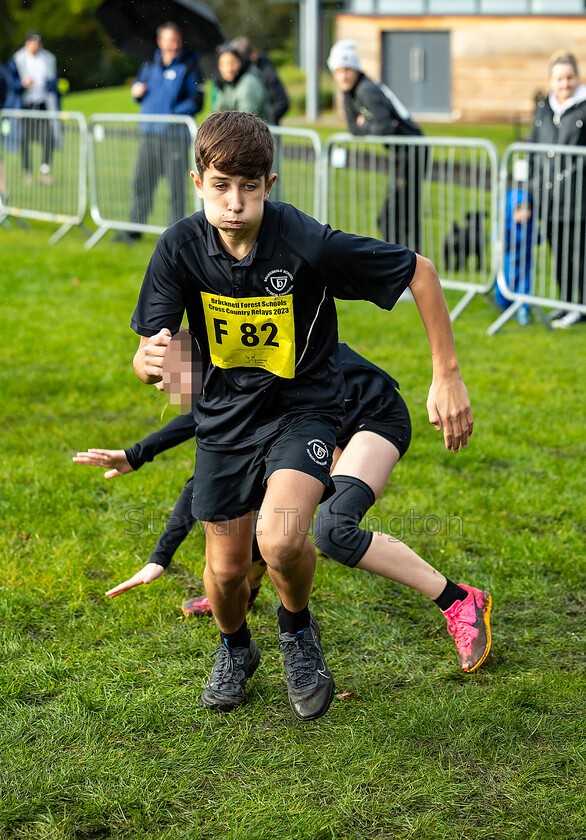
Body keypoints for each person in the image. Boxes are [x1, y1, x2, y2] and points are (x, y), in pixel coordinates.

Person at [130, 110, 473, 722]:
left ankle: (297, 634)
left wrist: (446, 375)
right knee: (226, 571)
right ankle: (236, 648)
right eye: (220, 186)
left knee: (283, 538)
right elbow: (149, 352)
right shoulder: (179, 247)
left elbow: (419, 272)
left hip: (303, 413)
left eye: (249, 187)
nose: (234, 202)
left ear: (270, 184)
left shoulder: (304, 242)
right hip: (225, 422)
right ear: (197, 180)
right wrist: (147, 360)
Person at [75, 342, 490, 675]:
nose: (162, 389)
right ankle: (249, 587)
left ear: (197, 362)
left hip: (370, 417)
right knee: (259, 503)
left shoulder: (246, 372)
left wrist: (158, 550)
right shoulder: (223, 380)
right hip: (320, 421)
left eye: (166, 379)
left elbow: (200, 433)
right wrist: (138, 457)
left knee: (333, 529)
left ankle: (459, 600)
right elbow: (207, 470)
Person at [327, 39, 425, 251]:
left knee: (395, 216)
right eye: (338, 71)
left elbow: (385, 129)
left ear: (356, 69)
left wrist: (369, 124)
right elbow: (354, 128)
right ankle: (405, 266)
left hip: (412, 152)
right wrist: (369, 125)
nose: (343, 76)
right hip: (401, 153)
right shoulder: (349, 91)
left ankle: (406, 265)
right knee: (397, 215)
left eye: (347, 70)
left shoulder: (366, 90)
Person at [129, 22, 204, 234]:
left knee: (176, 189)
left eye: (177, 40)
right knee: (141, 182)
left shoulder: (188, 67)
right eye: (170, 40)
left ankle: (175, 235)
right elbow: (138, 90)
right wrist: (136, 91)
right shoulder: (148, 66)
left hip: (174, 137)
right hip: (148, 134)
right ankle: (134, 228)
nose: (174, 44)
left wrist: (175, 113)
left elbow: (197, 100)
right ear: (160, 42)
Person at [529, 52, 586, 328]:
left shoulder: (584, 108)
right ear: (551, 81)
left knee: (579, 254)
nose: (565, 84)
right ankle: (565, 305)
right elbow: (532, 151)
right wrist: (527, 192)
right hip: (549, 198)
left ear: (578, 77)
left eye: (570, 77)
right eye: (560, 78)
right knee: (559, 253)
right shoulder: (543, 109)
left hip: (578, 197)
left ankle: (580, 306)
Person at [11, 30, 60, 186]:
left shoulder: (48, 59)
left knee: (48, 139)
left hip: (43, 105)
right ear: (26, 43)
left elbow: (54, 81)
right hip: (25, 106)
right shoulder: (17, 59)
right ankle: (27, 172)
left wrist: (51, 86)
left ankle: (45, 170)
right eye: (32, 42)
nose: (36, 46)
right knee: (24, 140)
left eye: (38, 43)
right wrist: (21, 84)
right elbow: (10, 82)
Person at [495, 189, 537, 326]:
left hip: (525, 264)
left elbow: (537, 238)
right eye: (519, 209)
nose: (525, 213)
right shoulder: (506, 227)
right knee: (504, 286)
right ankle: (505, 307)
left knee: (524, 287)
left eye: (528, 208)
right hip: (509, 264)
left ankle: (523, 310)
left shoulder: (529, 227)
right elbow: (496, 239)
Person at [230, 36, 289, 125]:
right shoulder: (240, 76)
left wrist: (262, 122)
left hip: (265, 130)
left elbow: (282, 102)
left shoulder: (267, 74)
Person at [213, 44, 273, 123]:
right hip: (238, 132)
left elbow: (244, 121)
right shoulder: (225, 84)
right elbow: (216, 114)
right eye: (224, 64)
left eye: (233, 62)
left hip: (259, 134)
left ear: (240, 62)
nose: (229, 68)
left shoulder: (249, 83)